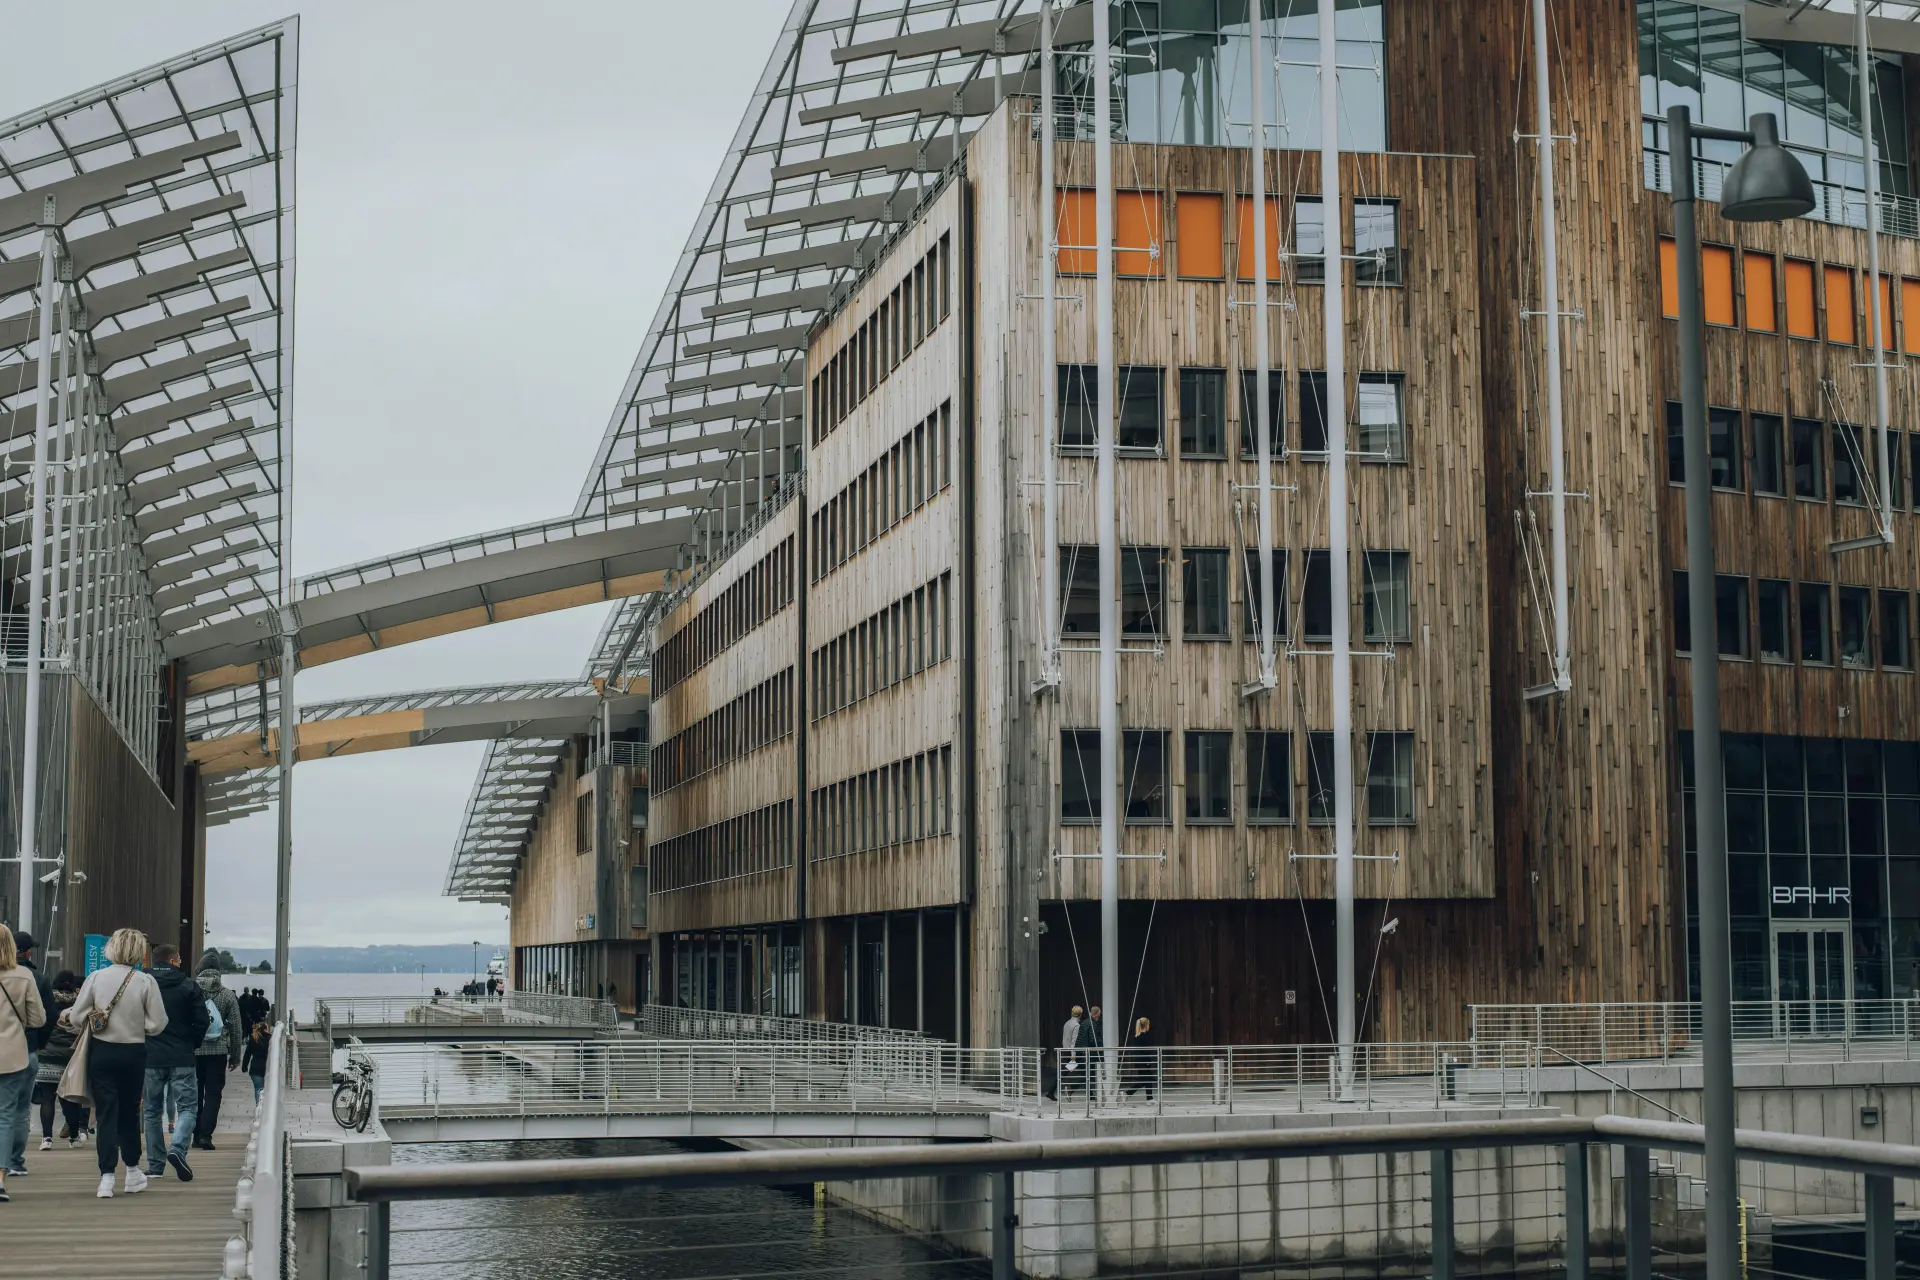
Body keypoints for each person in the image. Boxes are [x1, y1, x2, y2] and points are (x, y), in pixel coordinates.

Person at [64, 927, 166, 1197]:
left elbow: (76, 1017)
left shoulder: (96, 977)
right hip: (133, 1052)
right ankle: (132, 1172)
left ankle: (106, 1178)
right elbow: (158, 1024)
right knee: (130, 1112)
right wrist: (136, 1023)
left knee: (106, 1113)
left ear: (112, 948)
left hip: (102, 1051)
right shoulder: (146, 982)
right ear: (138, 952)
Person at [142, 943, 208, 1184]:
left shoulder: (142, 983)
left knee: (151, 1111)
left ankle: (155, 1165)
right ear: (171, 961)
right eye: (179, 960)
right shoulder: (188, 985)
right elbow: (202, 1021)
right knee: (188, 1107)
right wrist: (192, 1043)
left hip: (150, 1056)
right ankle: (177, 1148)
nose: (181, 964)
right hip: (181, 1055)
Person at [0, 924, 47, 1204]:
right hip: (12, 1055)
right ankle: (2, 1178)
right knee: (6, 1116)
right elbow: (38, 1019)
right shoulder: (23, 975)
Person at [192, 952, 243, 1150]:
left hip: (193, 1051)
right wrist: (236, 1056)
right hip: (218, 1052)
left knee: (193, 1094)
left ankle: (195, 1133)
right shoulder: (228, 995)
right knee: (213, 1093)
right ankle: (205, 1135)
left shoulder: (190, 991)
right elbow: (237, 1028)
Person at [33, 971, 89, 1149]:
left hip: (47, 1054)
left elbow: (41, 1023)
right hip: (71, 1057)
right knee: (69, 1098)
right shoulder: (79, 1004)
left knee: (47, 1098)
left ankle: (46, 1138)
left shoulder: (46, 1001)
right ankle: (73, 1137)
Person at [1124, 1016, 1157, 1098]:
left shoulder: (1137, 1035)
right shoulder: (1143, 1036)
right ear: (1146, 1025)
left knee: (1147, 1079)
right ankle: (1127, 1093)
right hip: (1143, 1060)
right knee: (1145, 1080)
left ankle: (1149, 1098)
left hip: (1140, 1060)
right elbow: (1146, 1049)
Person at [1058, 1004, 1085, 1097]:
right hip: (1071, 1052)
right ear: (1080, 1014)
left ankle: (1051, 1090)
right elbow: (1074, 1041)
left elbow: (1064, 1038)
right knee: (1085, 1073)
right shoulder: (1076, 1025)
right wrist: (1073, 1055)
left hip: (1065, 1050)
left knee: (1064, 1072)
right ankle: (1070, 1089)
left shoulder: (1067, 1023)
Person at [242, 1022, 270, 1103]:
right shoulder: (270, 1038)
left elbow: (247, 1053)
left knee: (258, 1089)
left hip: (255, 1068)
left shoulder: (253, 1038)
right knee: (266, 1089)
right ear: (265, 1028)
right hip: (266, 1067)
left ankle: (258, 1107)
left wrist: (244, 1066)